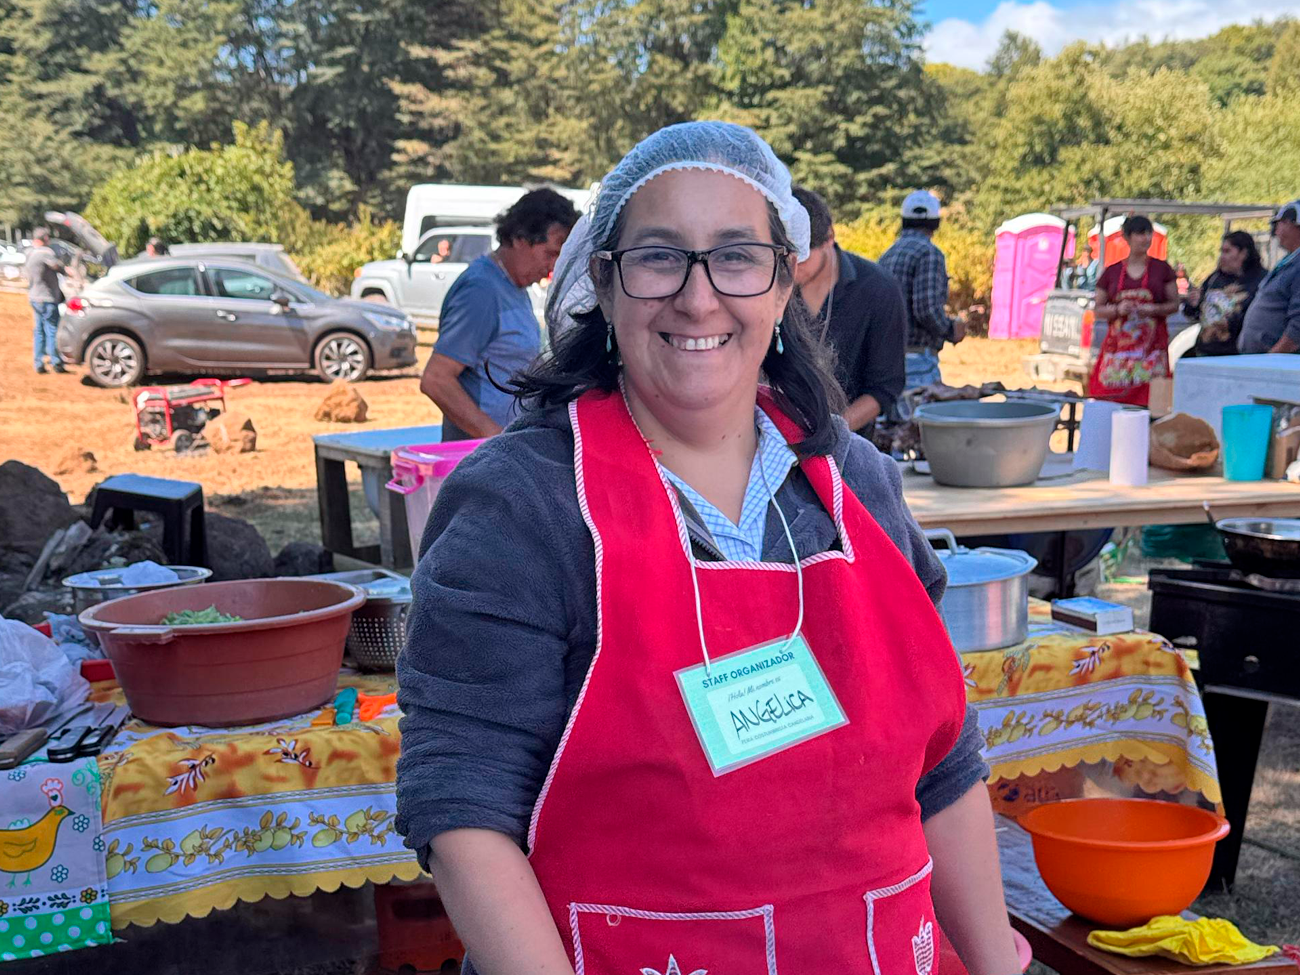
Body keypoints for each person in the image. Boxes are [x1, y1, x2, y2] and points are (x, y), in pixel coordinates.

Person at [396, 122, 1020, 975]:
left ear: (779, 284)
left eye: (736, 256)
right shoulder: (524, 502)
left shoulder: (856, 484)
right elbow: (466, 808)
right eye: (659, 257)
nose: (699, 298)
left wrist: (997, 965)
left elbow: (943, 762)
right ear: (604, 286)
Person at [419, 188, 580, 440]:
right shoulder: (480, 290)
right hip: (479, 459)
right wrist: (495, 438)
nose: (554, 266)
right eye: (550, 253)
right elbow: (436, 380)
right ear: (519, 238)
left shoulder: (516, 286)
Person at [791, 185, 905, 435]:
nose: (791, 270)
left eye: (801, 259)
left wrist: (831, 433)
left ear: (829, 237)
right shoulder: (772, 285)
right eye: (782, 257)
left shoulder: (878, 289)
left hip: (849, 445)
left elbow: (884, 388)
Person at [878, 190, 965, 390]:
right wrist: (952, 329)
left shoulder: (887, 255)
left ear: (904, 220)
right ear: (936, 223)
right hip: (918, 362)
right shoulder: (929, 254)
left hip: (888, 359)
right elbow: (926, 310)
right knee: (918, 419)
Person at [1089, 215, 1179, 405]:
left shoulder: (1162, 270)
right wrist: (1118, 309)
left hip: (1152, 355)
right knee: (1110, 404)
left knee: (1152, 405)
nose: (1145, 238)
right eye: (1140, 234)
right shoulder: (1111, 272)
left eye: (1148, 234)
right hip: (1117, 358)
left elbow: (1174, 305)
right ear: (1127, 237)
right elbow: (1097, 310)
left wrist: (1152, 309)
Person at [1182, 231, 1266, 357]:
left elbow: (1260, 320)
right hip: (1205, 351)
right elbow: (1194, 313)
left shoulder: (1261, 281)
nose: (1222, 256)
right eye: (1221, 251)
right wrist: (1193, 303)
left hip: (1238, 355)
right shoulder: (1215, 278)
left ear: (1244, 253)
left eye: (1227, 251)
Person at [1238, 200, 1300, 355]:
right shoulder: (1290, 261)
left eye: (1279, 223)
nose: (1276, 230)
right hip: (1265, 362)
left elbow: (1298, 323)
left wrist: (1273, 356)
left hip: (1276, 365)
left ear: (1293, 223)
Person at [24, 227, 67, 375]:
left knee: (39, 331)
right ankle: (56, 362)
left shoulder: (29, 253)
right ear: (46, 239)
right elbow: (57, 266)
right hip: (47, 298)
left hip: (34, 297)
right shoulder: (45, 253)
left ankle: (39, 363)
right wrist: (65, 268)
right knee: (52, 330)